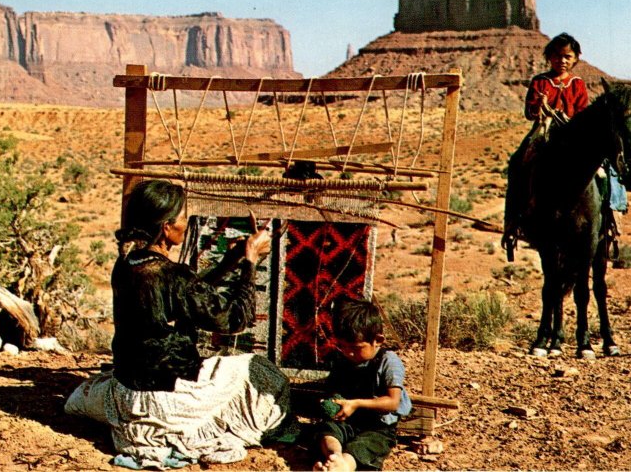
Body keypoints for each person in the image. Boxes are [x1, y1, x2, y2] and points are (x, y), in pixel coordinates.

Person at [64, 179, 290, 469]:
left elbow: (187, 294)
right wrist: (250, 262)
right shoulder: (171, 276)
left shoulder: (127, 264)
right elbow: (236, 320)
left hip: (126, 391)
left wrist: (230, 260)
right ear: (166, 227)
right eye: (183, 218)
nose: (186, 223)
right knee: (260, 371)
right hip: (164, 399)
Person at [502, 32, 590, 258]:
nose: (562, 60)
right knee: (517, 162)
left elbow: (582, 112)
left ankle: (611, 221)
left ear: (576, 58)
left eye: (567, 56)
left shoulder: (578, 84)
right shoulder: (539, 81)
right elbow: (529, 113)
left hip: (573, 134)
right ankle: (512, 222)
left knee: (604, 165)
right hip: (543, 131)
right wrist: (539, 107)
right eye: (557, 56)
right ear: (549, 57)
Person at [312, 298, 412, 471]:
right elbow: (333, 388)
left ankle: (344, 465)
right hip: (348, 422)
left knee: (365, 446)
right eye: (342, 346)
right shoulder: (343, 360)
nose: (348, 352)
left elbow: (392, 402)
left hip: (378, 427)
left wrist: (356, 403)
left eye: (355, 347)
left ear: (378, 340)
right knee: (327, 431)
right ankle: (334, 457)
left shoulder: (388, 361)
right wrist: (331, 403)